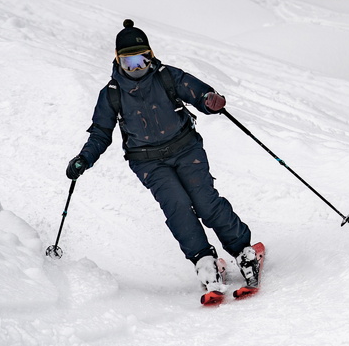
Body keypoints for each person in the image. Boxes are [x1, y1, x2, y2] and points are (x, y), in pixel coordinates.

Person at [65, 20, 261, 303]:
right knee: (177, 206)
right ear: (118, 61)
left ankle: (243, 250)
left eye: (141, 60)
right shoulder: (111, 93)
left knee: (205, 201)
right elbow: (100, 133)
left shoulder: (167, 76)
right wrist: (85, 158)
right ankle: (205, 262)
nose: (136, 68)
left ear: (150, 55)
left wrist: (210, 100)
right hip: (148, 162)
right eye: (128, 63)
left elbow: (198, 92)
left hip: (186, 149)